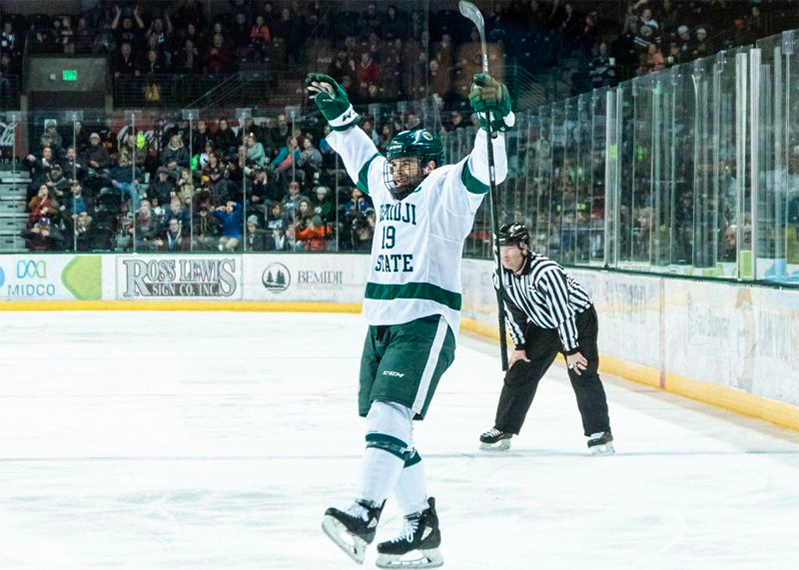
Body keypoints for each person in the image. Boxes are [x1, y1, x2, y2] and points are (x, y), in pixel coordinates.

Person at [307, 70, 513, 569]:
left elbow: (487, 170)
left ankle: (365, 513)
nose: (396, 172)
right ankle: (421, 525)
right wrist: (341, 117)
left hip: (424, 319)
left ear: (429, 166)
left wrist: (495, 121)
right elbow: (361, 157)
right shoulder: (386, 184)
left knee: (388, 416)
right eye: (395, 164)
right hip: (381, 319)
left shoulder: (447, 189)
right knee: (392, 429)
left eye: (407, 165)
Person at [478, 223, 614, 455]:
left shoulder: (546, 272)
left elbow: (563, 312)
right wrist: (520, 346)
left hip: (577, 319)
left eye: (510, 247)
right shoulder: (500, 276)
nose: (505, 254)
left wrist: (571, 350)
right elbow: (512, 313)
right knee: (520, 371)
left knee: (582, 371)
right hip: (542, 324)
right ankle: (504, 427)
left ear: (524, 247)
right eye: (500, 248)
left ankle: (599, 432)